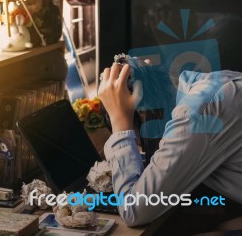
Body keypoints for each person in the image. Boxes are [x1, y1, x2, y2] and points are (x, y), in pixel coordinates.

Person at [98, 55, 242, 233]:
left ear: (142, 113)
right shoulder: (208, 85)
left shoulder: (194, 116)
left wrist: (120, 123)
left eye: (137, 140)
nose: (140, 147)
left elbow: (133, 210)